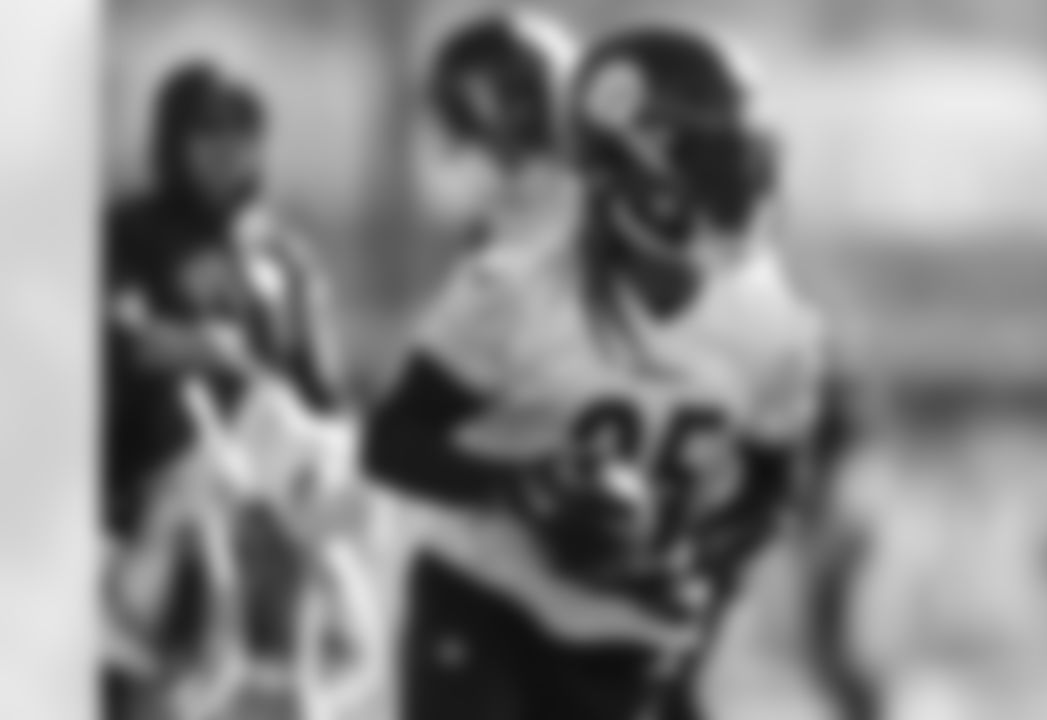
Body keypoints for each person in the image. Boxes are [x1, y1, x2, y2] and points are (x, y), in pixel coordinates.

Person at [364, 25, 828, 720]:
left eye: (742, 156)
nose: (736, 182)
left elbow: (772, 485)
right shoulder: (516, 288)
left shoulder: (772, 321)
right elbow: (391, 441)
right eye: (711, 158)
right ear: (625, 172)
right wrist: (519, 487)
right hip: (487, 599)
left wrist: (691, 555)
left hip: (624, 632)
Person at [102, 61, 346, 720]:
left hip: (269, 499)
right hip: (149, 484)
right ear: (172, 140)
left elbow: (322, 392)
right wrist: (196, 345)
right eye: (207, 132)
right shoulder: (126, 232)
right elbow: (116, 333)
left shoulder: (284, 256)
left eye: (244, 133)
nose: (227, 150)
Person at [408, 10, 580, 255]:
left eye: (503, 88)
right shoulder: (470, 175)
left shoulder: (576, 168)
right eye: (471, 90)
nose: (485, 102)